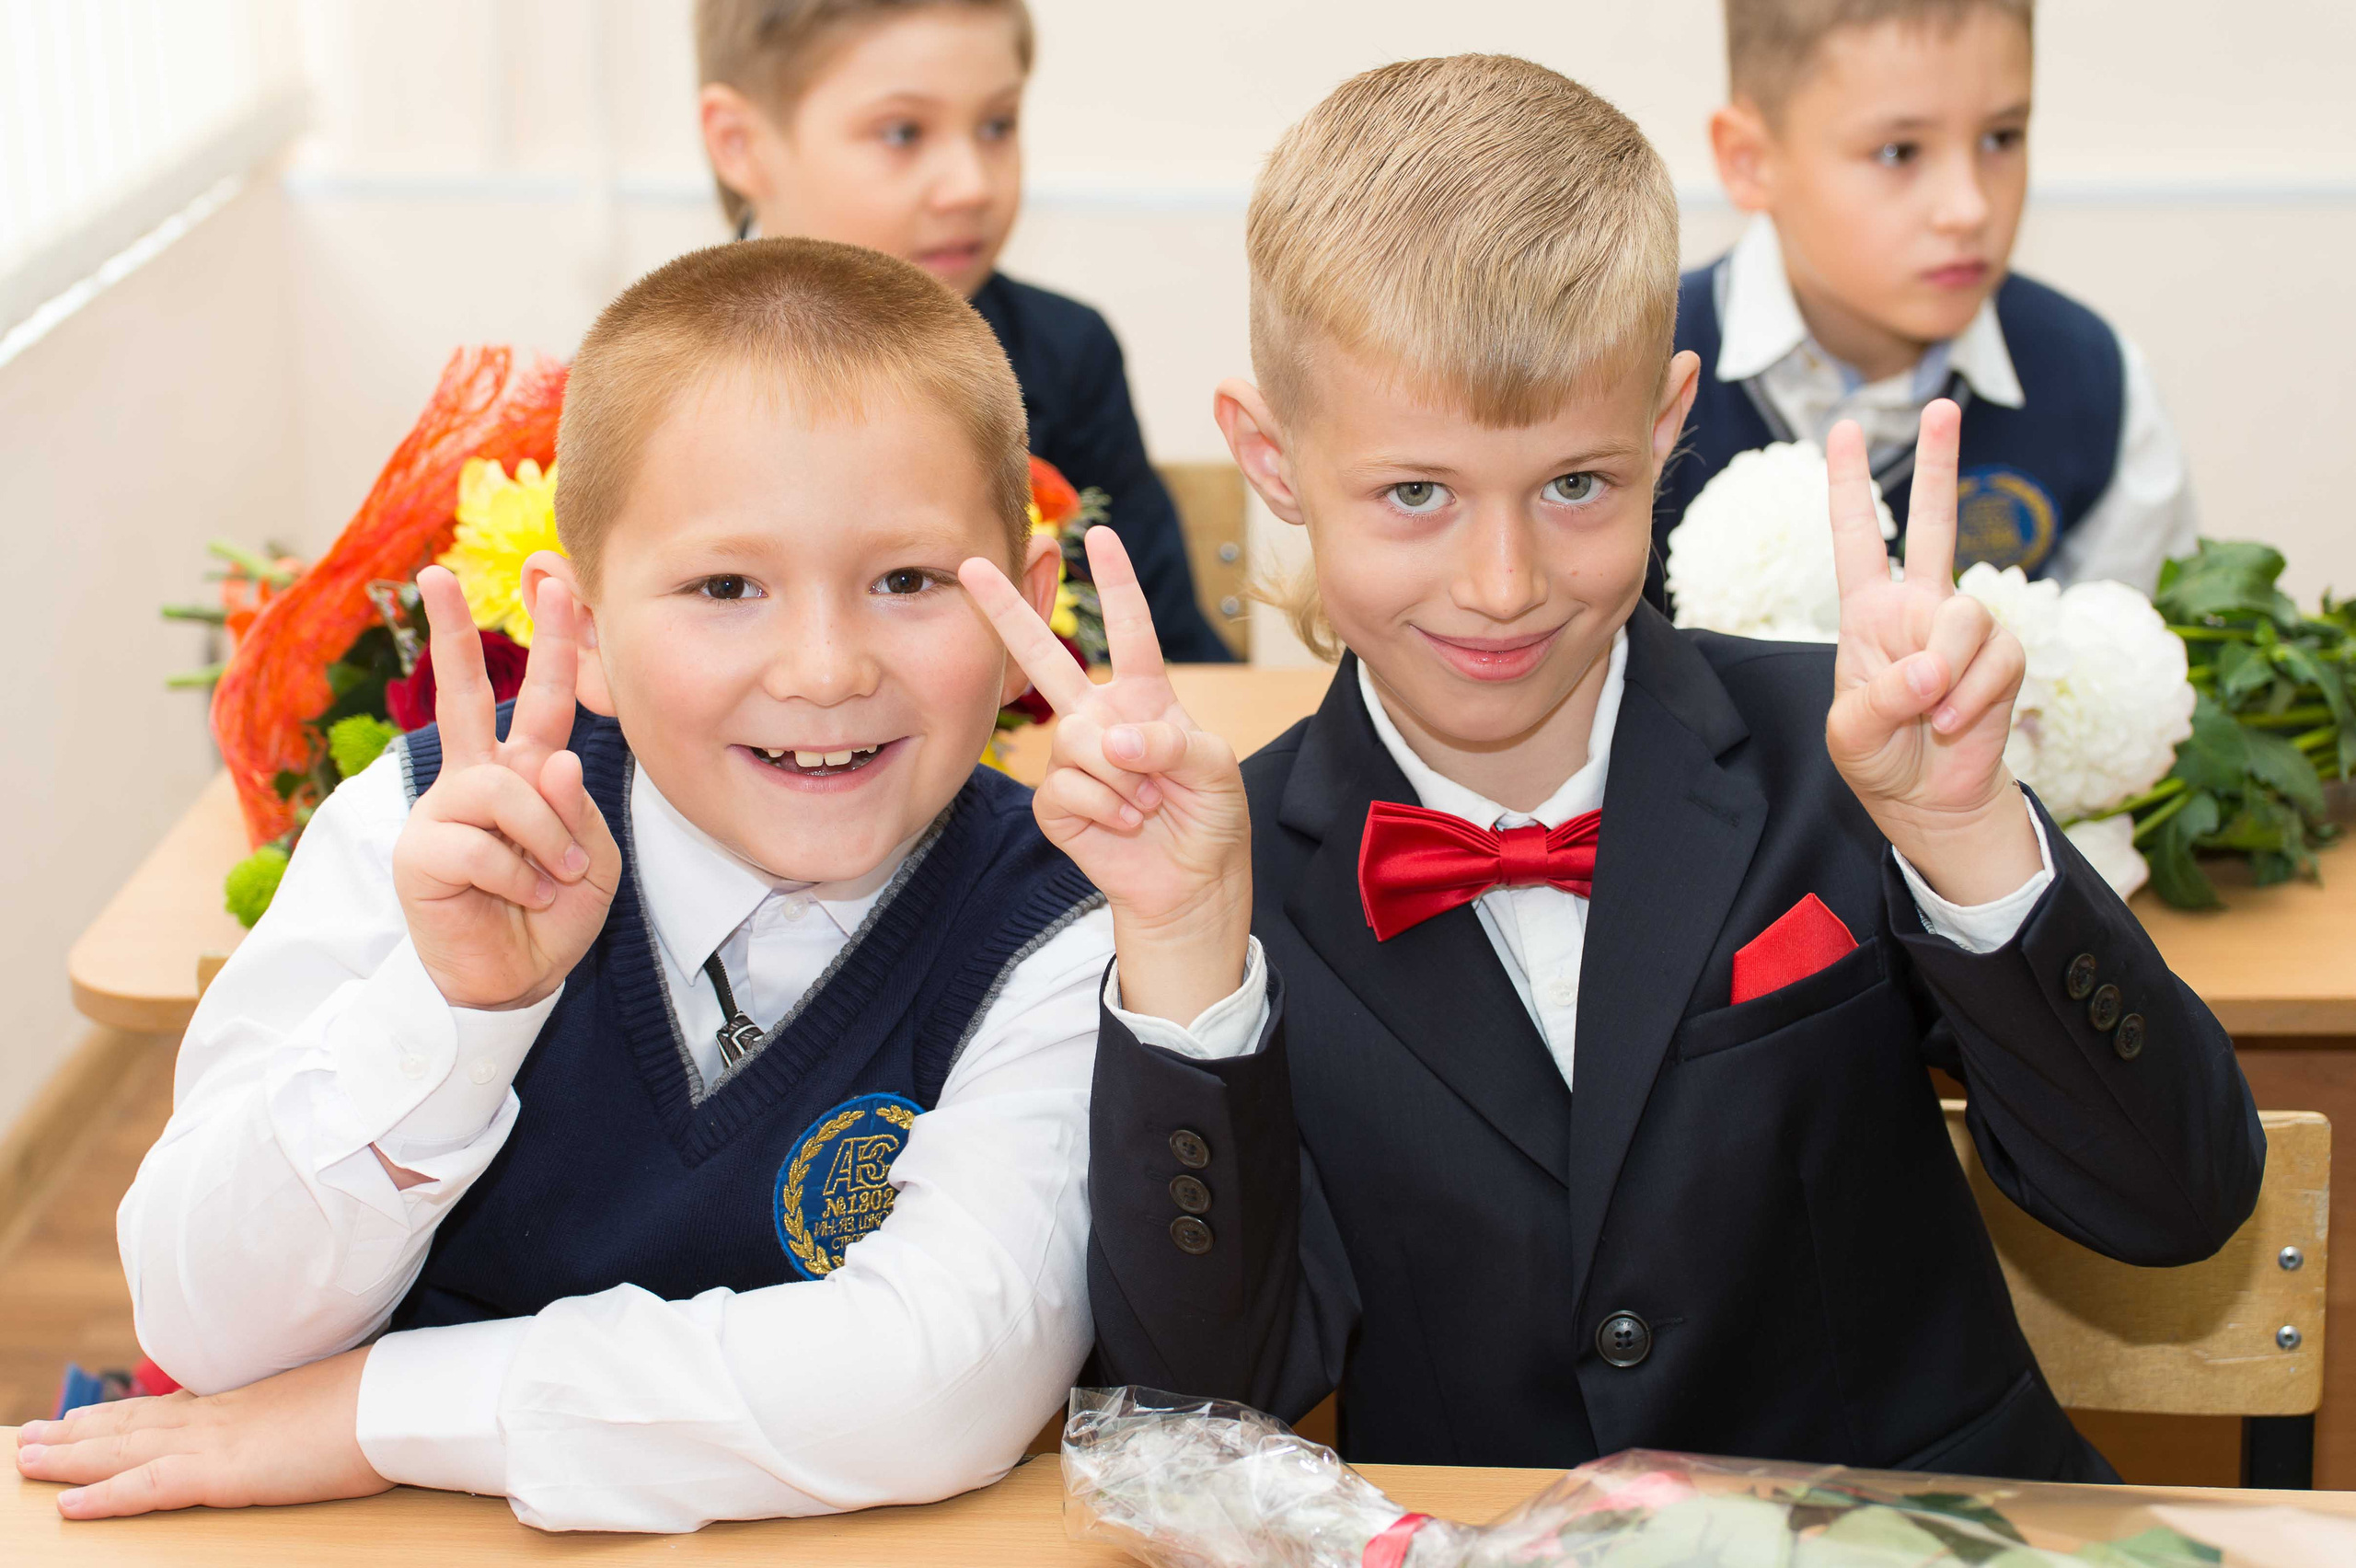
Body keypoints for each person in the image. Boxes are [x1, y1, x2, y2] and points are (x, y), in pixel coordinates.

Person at [1022, 55, 2260, 1482]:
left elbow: (2178, 1202)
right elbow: (1201, 1420)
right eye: (1416, 493)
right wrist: (1180, 951)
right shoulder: (1237, 888)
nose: (1502, 584)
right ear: (1273, 458)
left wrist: (1968, 833)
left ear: (1667, 426)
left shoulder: (1844, 758)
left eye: (1576, 486)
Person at [14, 238, 1260, 1531]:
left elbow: (938, 1381)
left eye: (906, 581)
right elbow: (204, 1324)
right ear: (585, 629)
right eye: (728, 586)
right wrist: (456, 1019)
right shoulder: (425, 828)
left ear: (1030, 616)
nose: (824, 668)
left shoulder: (1061, 922)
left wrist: (371, 1412)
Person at [694, 0, 1236, 662]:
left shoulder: (1068, 353)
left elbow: (1172, 655)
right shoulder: (642, 387)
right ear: (739, 144)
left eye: (996, 124)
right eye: (902, 133)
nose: (971, 186)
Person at [1655, 0, 2198, 594]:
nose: (1970, 208)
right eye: (1899, 152)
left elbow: (2129, 664)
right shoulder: (1631, 372)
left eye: (2001, 137)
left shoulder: (2097, 384)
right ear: (1749, 160)